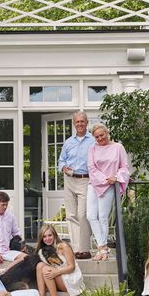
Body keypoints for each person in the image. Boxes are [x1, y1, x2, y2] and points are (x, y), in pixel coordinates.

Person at [86, 123, 130, 260]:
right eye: (96, 137)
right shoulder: (92, 149)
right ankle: (102, 246)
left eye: (101, 135)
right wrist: (105, 178)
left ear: (107, 133)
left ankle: (102, 251)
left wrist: (116, 178)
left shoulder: (118, 147)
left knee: (103, 217)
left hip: (110, 186)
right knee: (90, 216)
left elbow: (125, 167)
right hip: (94, 184)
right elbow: (91, 168)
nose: (100, 138)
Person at [58, 111, 95, 260]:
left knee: (83, 215)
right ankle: (76, 249)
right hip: (69, 180)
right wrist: (63, 167)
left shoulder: (93, 141)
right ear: (74, 124)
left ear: (87, 123)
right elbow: (61, 160)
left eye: (82, 121)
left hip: (85, 180)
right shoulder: (68, 142)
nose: (80, 124)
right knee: (71, 215)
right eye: (77, 122)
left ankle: (84, 249)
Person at [34, 224, 85, 296]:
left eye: (50, 235)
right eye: (44, 237)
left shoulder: (63, 246)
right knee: (40, 265)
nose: (47, 239)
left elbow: (72, 267)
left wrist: (56, 272)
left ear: (54, 235)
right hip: (61, 276)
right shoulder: (48, 249)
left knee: (46, 270)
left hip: (71, 278)